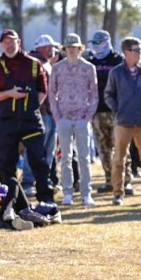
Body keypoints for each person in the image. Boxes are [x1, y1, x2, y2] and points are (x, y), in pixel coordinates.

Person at [0, 28, 54, 204]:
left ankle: (46, 201)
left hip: (31, 121)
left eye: (12, 41)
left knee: (39, 162)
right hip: (7, 121)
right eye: (5, 42)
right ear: (1, 45)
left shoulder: (33, 64)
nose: (9, 45)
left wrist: (31, 106)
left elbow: (43, 90)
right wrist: (9, 94)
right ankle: (8, 203)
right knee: (5, 165)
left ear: (19, 42)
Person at [104, 37, 141, 206]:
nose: (140, 53)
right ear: (126, 52)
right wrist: (118, 110)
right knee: (118, 161)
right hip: (123, 123)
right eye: (136, 50)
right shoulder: (116, 73)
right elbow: (108, 94)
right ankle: (117, 194)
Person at [49, 33, 99, 207]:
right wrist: (57, 116)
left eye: (75, 47)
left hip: (82, 119)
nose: (71, 50)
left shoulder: (89, 68)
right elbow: (51, 93)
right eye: (69, 47)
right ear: (64, 49)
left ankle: (86, 193)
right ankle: (67, 193)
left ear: (80, 49)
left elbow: (94, 94)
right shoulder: (57, 68)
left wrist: (88, 116)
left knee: (84, 157)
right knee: (65, 157)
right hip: (63, 118)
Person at [85, 30, 127, 194]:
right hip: (97, 111)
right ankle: (109, 180)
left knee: (120, 147)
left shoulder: (118, 60)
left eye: (99, 42)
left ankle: (124, 181)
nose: (96, 46)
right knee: (103, 148)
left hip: (116, 111)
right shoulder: (91, 61)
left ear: (107, 42)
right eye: (94, 43)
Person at [25, 34, 62, 191]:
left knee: (48, 150)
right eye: (52, 47)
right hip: (41, 113)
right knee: (35, 148)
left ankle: (43, 180)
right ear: (45, 48)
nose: (54, 50)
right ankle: (27, 181)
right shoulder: (34, 63)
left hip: (50, 112)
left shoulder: (46, 63)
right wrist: (40, 109)